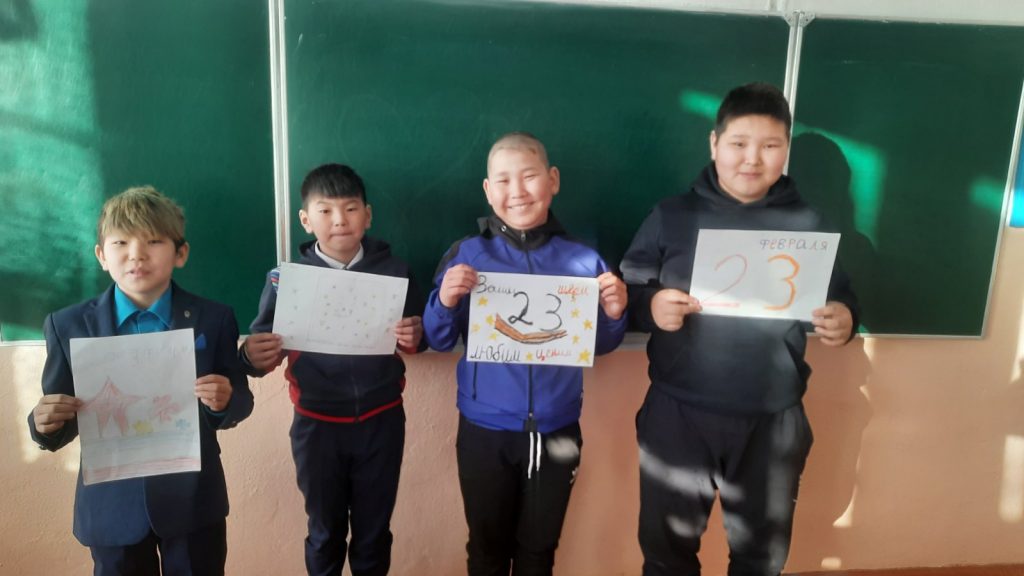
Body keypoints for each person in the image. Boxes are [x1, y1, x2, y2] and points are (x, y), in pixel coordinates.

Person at [620, 82, 859, 576]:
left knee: (761, 557)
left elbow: (840, 295)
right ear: (714, 144)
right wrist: (651, 305)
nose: (752, 159)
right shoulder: (671, 216)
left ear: (785, 150)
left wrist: (846, 318)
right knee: (666, 553)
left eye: (770, 145)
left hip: (772, 419)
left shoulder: (809, 224)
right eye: (738, 143)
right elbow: (630, 291)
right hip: (679, 412)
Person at [423, 132, 628, 576]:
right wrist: (446, 301)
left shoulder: (584, 260)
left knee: (539, 551)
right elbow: (437, 339)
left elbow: (598, 346)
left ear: (553, 180)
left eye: (529, 176)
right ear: (487, 190)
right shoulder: (467, 255)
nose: (517, 191)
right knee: (486, 549)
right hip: (485, 429)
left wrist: (614, 314)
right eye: (503, 180)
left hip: (556, 427)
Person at [28, 186, 254, 576]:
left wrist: (225, 401)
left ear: (180, 253)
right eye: (120, 243)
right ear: (102, 255)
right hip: (111, 506)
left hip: (192, 502)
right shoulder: (67, 325)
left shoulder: (213, 318)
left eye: (153, 241)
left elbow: (240, 401)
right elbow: (61, 414)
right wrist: (43, 423)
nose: (136, 254)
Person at [240, 163, 424, 576]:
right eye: (325, 210)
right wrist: (254, 355)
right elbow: (261, 349)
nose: (340, 220)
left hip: (381, 421)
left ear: (368, 215)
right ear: (306, 220)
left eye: (351, 208)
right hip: (316, 425)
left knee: (374, 534)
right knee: (324, 533)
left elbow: (415, 338)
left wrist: (416, 335)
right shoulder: (286, 280)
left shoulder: (395, 272)